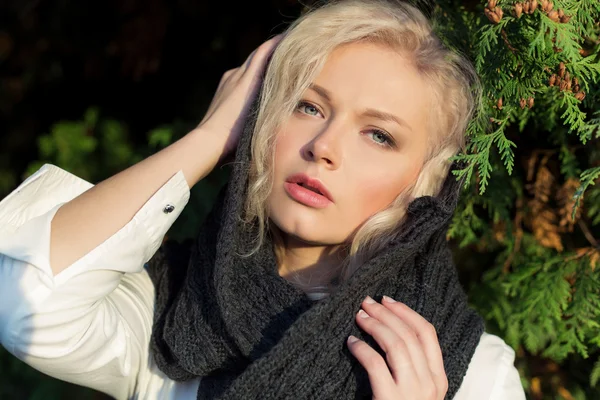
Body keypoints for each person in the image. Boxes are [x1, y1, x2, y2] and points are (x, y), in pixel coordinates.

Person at [0, 0, 526, 399]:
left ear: (424, 182)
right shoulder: (175, 314)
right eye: (308, 107)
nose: (323, 148)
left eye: (379, 135)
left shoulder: (467, 371)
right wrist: (210, 136)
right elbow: (29, 303)